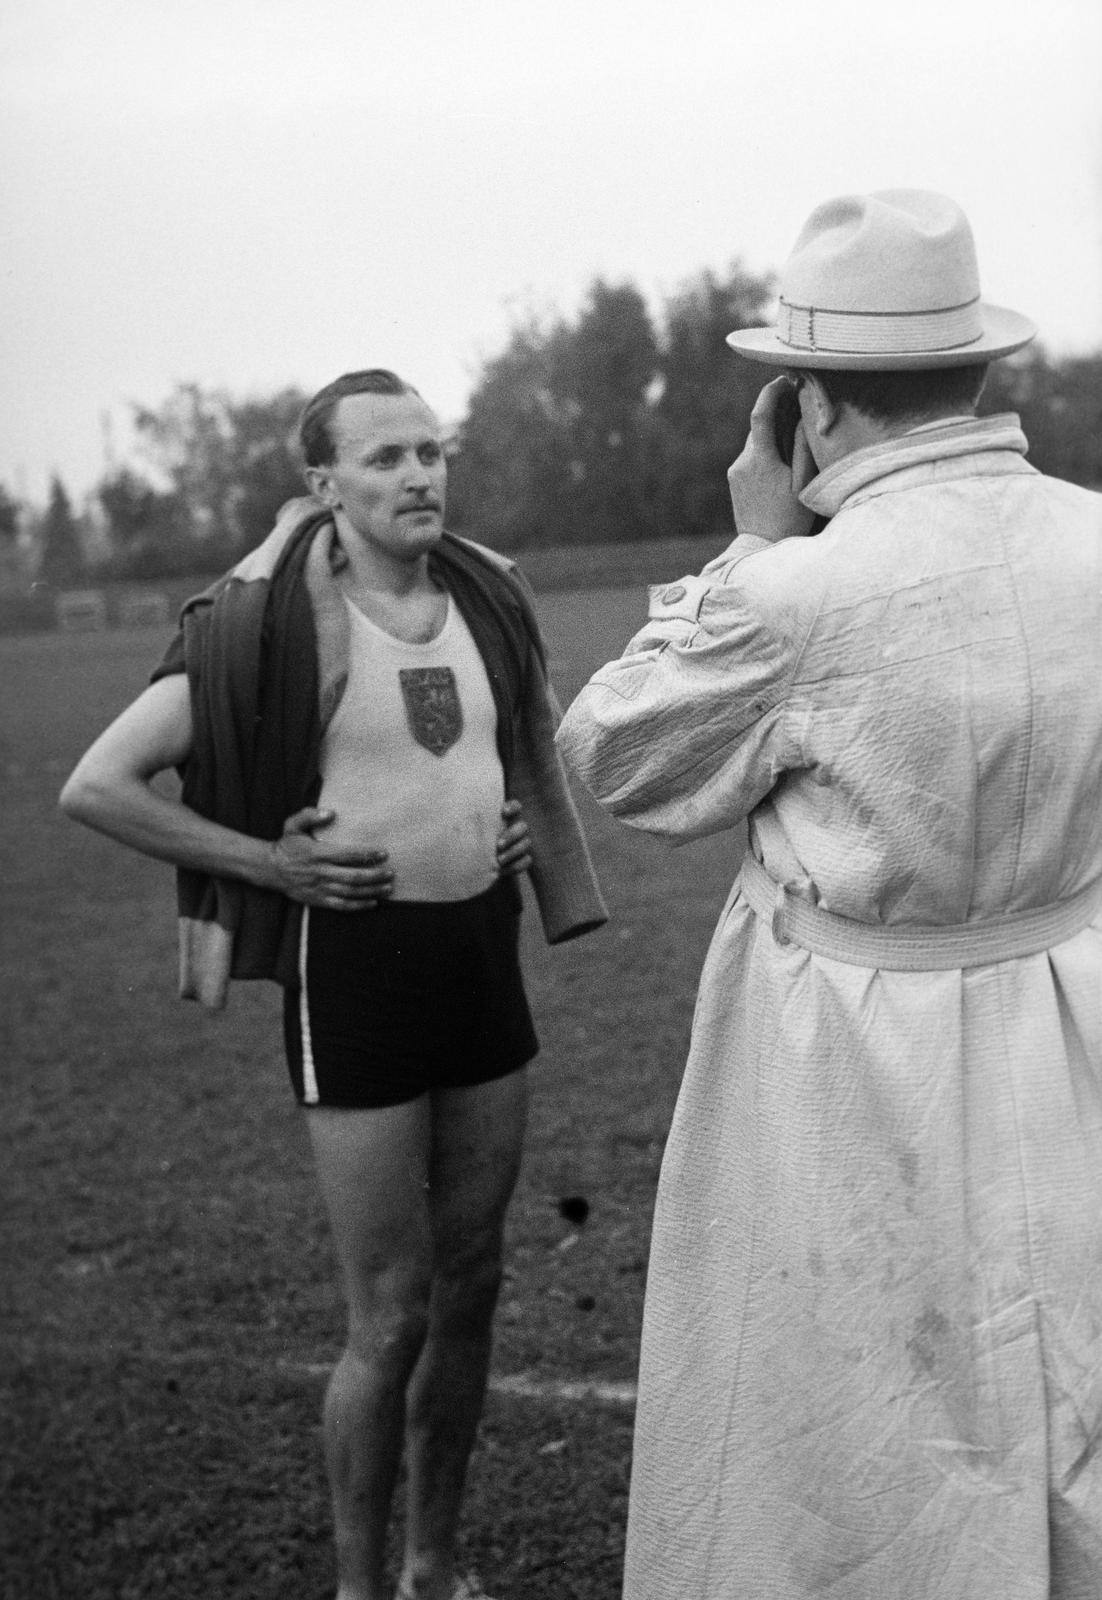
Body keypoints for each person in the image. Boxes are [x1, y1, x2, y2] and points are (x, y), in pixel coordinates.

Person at [557, 190, 1102, 1599]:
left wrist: (750, 547)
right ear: (974, 366)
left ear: (800, 406)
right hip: (1074, 1029)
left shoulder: (799, 592)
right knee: (1070, 1366)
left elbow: (620, 758)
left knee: (856, 1404)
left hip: (853, 1057)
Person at [60, 367, 607, 1600]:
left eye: (431, 449)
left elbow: (496, 750)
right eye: (385, 458)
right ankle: (360, 1590)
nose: (419, 474)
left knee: (472, 1283)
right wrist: (270, 862)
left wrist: (504, 823)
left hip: (480, 961)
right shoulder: (257, 631)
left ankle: (433, 1564)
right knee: (393, 1311)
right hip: (353, 976)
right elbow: (95, 785)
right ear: (324, 485)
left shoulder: (486, 597)